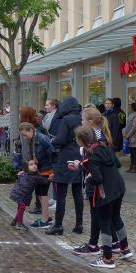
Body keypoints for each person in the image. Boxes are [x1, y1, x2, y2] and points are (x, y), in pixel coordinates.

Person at [69, 126, 132, 268]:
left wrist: (86, 174)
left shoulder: (90, 156)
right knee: (116, 217)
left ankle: (107, 258)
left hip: (105, 193)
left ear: (81, 140)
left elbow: (97, 178)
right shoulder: (105, 147)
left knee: (104, 222)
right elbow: (117, 164)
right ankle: (125, 248)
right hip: (118, 187)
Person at [49, 97, 84, 236]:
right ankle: (79, 224)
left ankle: (58, 225)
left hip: (65, 157)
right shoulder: (81, 118)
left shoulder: (66, 119)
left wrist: (53, 140)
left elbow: (61, 139)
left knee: (61, 193)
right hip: (79, 155)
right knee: (77, 193)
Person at [17, 122, 54, 230]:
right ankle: (46, 217)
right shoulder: (33, 140)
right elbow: (31, 159)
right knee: (40, 194)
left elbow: (52, 155)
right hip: (39, 170)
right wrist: (25, 170)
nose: (24, 138)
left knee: (43, 194)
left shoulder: (42, 139)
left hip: (45, 170)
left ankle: (45, 220)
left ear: (31, 130)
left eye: (25, 135)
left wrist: (53, 171)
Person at [9, 158, 51, 231]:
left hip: (17, 194)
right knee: (22, 208)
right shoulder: (35, 177)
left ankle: (15, 220)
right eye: (31, 165)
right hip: (22, 195)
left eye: (35, 164)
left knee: (20, 207)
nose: (34, 166)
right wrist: (50, 179)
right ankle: (19, 223)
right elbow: (45, 181)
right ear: (26, 167)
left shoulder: (24, 174)